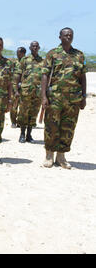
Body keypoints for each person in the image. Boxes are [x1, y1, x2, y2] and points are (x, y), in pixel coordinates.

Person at [41, 28, 87, 169]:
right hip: (55, 98)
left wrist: (84, 96)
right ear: (60, 37)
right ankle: (49, 155)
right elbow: (45, 75)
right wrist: (43, 96)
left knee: (68, 128)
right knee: (51, 127)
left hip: (73, 99)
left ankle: (61, 156)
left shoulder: (79, 55)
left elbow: (82, 77)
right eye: (66, 35)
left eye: (71, 35)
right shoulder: (52, 54)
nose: (69, 37)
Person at [14, 41, 43, 143]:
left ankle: (29, 135)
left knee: (33, 113)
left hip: (38, 92)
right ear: (30, 48)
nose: (35, 47)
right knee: (23, 113)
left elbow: (45, 77)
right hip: (26, 92)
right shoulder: (25, 60)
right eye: (33, 46)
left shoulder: (43, 61)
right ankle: (22, 134)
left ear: (39, 48)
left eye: (36, 46)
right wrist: (16, 90)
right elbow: (17, 74)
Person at [10, 47, 27, 128]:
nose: (17, 54)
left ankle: (20, 122)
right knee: (14, 106)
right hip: (14, 86)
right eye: (17, 52)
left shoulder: (27, 62)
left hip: (25, 86)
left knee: (23, 106)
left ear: (23, 53)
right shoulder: (14, 62)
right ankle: (13, 121)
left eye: (19, 52)